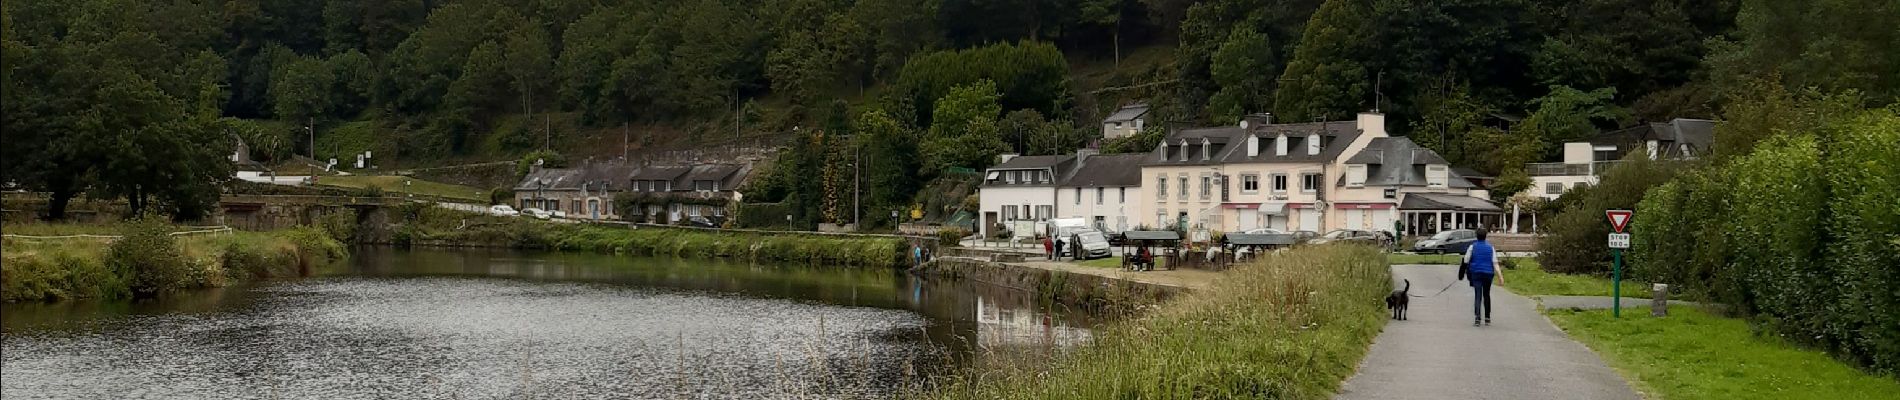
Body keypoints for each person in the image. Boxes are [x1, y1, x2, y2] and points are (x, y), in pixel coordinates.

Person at [1460, 229, 1504, 326]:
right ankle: (1487, 317)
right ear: (1486, 236)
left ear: (1476, 236)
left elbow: (1466, 260)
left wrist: (1464, 271)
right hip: (1488, 273)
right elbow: (1495, 262)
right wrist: (1500, 276)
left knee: (1478, 295)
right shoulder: (1490, 247)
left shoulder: (1472, 246)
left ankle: (1477, 318)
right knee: (1487, 294)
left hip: (1476, 272)